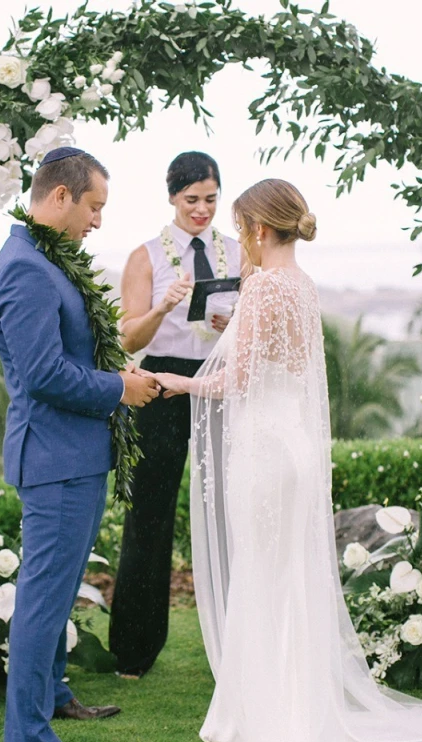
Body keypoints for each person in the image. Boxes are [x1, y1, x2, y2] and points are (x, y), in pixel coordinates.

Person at [156, 179, 422, 742]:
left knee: (265, 572)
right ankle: (291, 707)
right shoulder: (303, 287)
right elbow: (284, 366)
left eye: (240, 230)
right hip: (292, 446)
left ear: (260, 230)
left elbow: (238, 380)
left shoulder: (263, 288)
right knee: (288, 573)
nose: (240, 242)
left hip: (263, 450)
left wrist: (177, 384)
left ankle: (266, 718)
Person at [0, 147, 159, 742]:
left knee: (56, 591)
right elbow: (42, 375)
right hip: (55, 456)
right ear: (60, 197)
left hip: (75, 452)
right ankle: (28, 740)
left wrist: (115, 373)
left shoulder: (43, 258)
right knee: (42, 596)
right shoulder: (27, 269)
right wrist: (120, 389)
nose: (97, 221)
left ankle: (53, 695)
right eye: (94, 207)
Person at [109, 151, 242, 678]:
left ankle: (236, 643)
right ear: (172, 197)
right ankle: (134, 650)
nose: (202, 210)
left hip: (218, 380)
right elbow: (128, 337)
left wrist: (228, 319)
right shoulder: (145, 257)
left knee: (228, 509)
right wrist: (163, 307)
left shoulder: (237, 252)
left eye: (211, 199)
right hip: (161, 381)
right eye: (192, 200)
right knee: (149, 512)